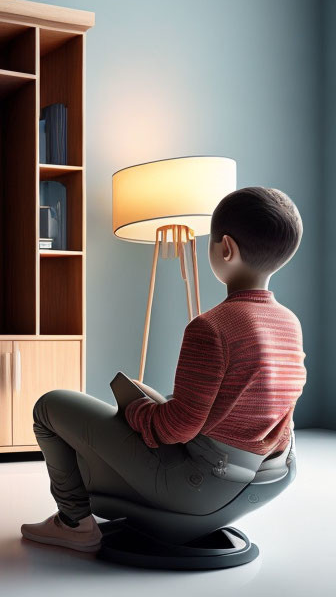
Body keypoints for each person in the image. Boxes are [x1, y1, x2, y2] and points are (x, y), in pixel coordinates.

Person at [21, 187, 306, 552]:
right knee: (152, 395)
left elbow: (176, 428)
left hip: (202, 484)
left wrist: (136, 410)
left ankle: (73, 522)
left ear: (226, 250)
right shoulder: (288, 322)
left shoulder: (212, 327)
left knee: (51, 405)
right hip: (267, 475)